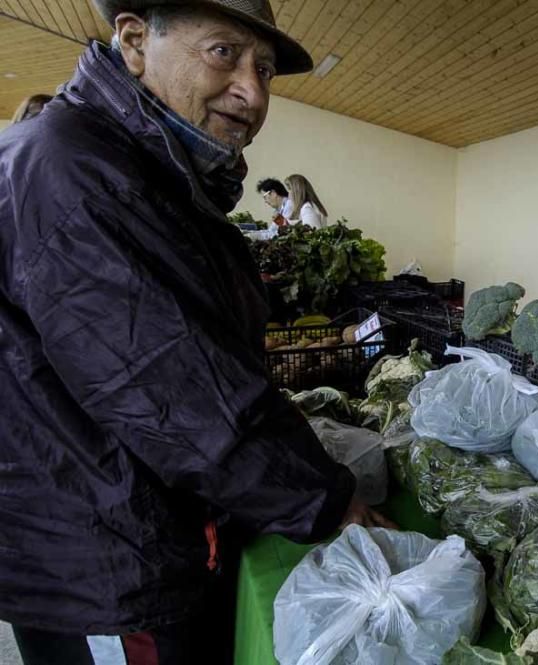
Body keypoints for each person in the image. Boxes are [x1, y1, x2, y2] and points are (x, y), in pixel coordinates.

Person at [0, 2, 391, 664]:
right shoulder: (78, 174)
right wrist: (332, 502)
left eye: (265, 69)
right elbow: (177, 394)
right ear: (132, 41)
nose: (252, 92)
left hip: (118, 529)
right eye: (223, 54)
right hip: (105, 567)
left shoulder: (133, 167)